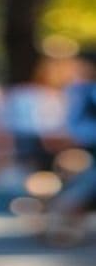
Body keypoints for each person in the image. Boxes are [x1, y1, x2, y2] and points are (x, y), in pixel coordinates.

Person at [46, 49, 96, 244]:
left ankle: (66, 225)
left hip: (87, 145)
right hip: (80, 145)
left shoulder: (85, 90)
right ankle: (67, 227)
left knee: (82, 186)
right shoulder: (78, 89)